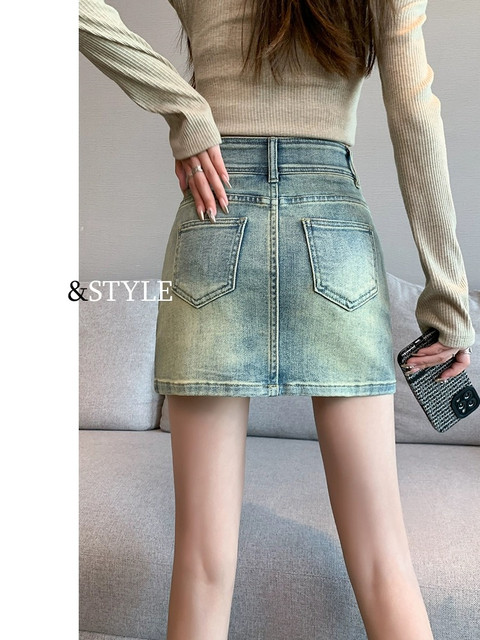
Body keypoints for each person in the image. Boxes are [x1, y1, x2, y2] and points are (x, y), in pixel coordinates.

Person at [79, 0, 475, 638]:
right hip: (334, 226)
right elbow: (414, 110)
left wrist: (184, 108)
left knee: (203, 565)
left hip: (215, 208)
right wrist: (448, 297)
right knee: (385, 563)